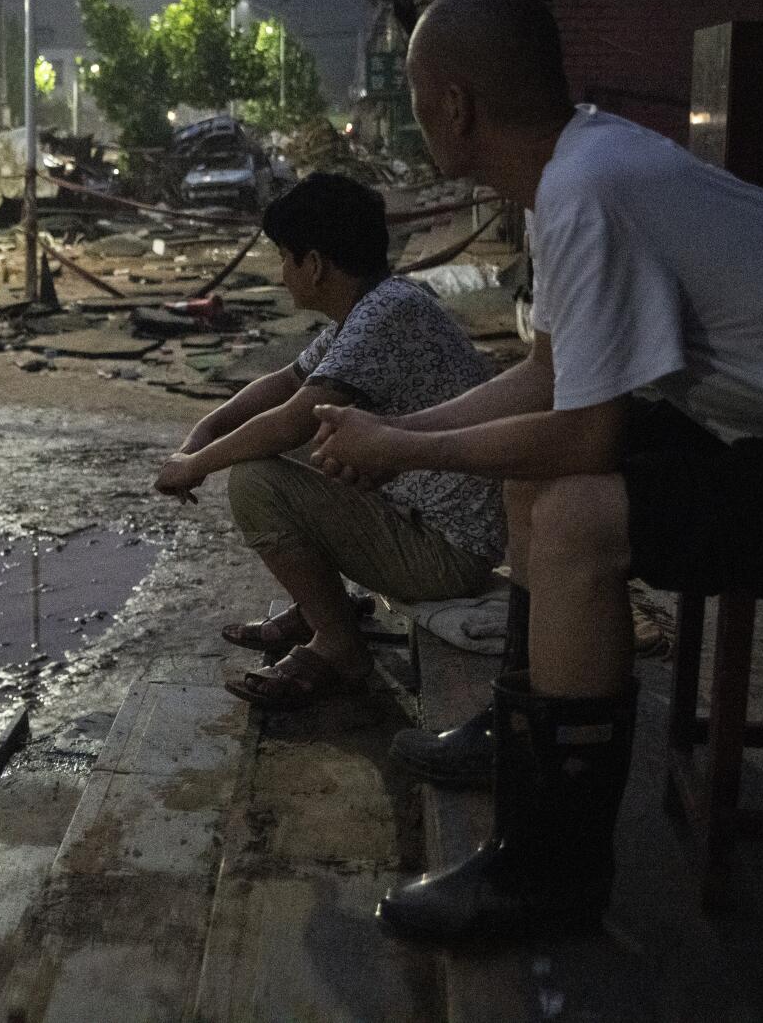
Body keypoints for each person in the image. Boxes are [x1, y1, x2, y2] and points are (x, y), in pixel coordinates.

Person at [310, 0, 763, 941]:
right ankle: (525, 738)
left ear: (457, 108)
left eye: (416, 94)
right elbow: (549, 376)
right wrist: (407, 433)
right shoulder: (579, 165)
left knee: (574, 518)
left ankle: (551, 872)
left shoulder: (586, 190)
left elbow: (584, 436)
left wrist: (401, 444)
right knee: (538, 484)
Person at [153, 172, 505, 708]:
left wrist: (197, 463)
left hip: (446, 552)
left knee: (256, 480)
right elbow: (285, 382)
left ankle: (339, 645)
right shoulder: (378, 305)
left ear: (313, 264)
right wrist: (202, 433)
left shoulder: (384, 314)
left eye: (285, 257)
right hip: (431, 523)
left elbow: (292, 416)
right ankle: (318, 608)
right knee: (292, 446)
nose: (281, 271)